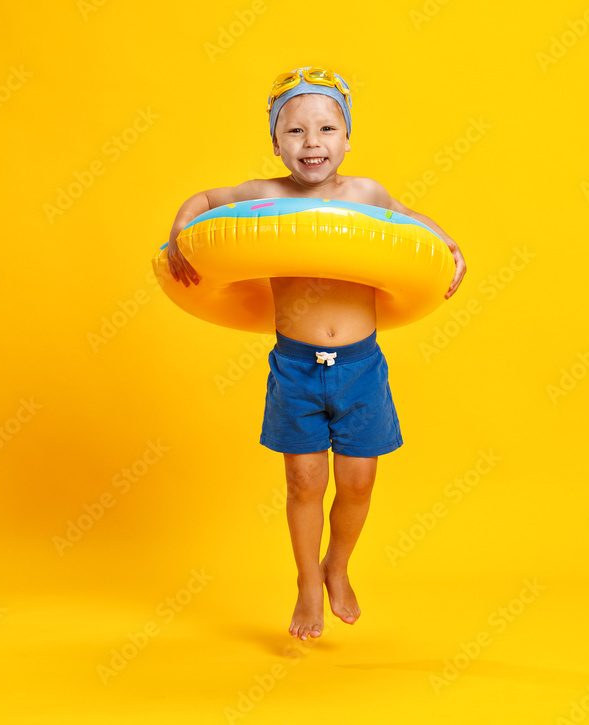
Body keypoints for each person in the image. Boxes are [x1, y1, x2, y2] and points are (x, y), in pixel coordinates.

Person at [165, 66, 466, 640]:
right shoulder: (262, 197)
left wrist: (447, 245)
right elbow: (205, 197)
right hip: (296, 368)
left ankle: (338, 566)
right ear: (276, 143)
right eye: (296, 132)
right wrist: (183, 226)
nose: (312, 144)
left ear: (347, 138)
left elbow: (413, 223)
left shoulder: (365, 195)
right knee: (304, 482)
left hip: (360, 369)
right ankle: (306, 581)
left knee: (357, 483)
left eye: (327, 129)